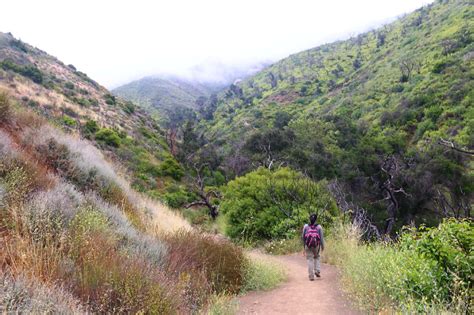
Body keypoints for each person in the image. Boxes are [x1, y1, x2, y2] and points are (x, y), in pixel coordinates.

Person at [302, 213, 324, 281]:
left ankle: (311, 276)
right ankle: (317, 271)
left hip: (307, 245)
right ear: (316, 219)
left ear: (309, 219)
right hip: (316, 245)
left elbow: (303, 237)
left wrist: (304, 246)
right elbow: (321, 238)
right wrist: (322, 246)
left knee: (309, 259)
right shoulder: (319, 227)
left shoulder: (305, 226)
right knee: (317, 257)